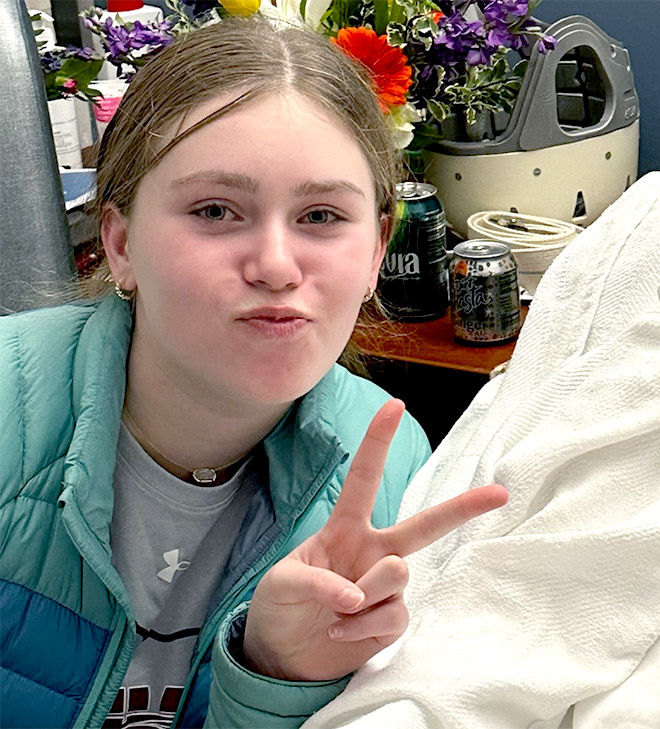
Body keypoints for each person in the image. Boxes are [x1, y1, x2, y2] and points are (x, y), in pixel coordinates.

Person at [0, 18, 506, 729]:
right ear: (119, 244)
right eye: (215, 210)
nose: (275, 265)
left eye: (321, 215)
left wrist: (274, 676)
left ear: (375, 253)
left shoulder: (387, 469)